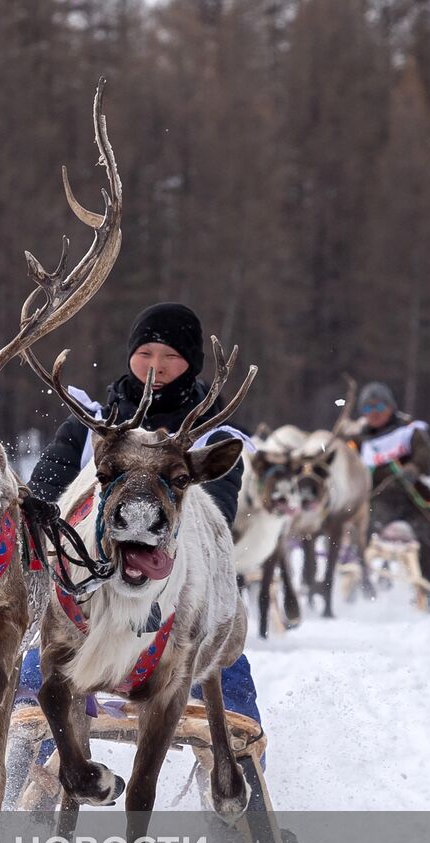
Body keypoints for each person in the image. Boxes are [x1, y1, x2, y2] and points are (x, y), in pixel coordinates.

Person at [22, 301, 261, 727]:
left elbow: (215, 515)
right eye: (146, 353)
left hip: (175, 589)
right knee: (37, 675)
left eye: (171, 356)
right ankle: (30, 763)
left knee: (223, 665)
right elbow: (47, 488)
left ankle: (242, 763)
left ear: (190, 364)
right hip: (85, 590)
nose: (156, 365)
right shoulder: (88, 425)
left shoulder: (213, 438)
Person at [353, 381, 430, 609]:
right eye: (367, 409)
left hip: (413, 498)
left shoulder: (410, 429)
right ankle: (360, 585)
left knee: (428, 535)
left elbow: (426, 457)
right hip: (377, 500)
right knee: (360, 533)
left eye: (378, 407)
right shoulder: (357, 438)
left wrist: (414, 468)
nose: (373, 414)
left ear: (390, 407)